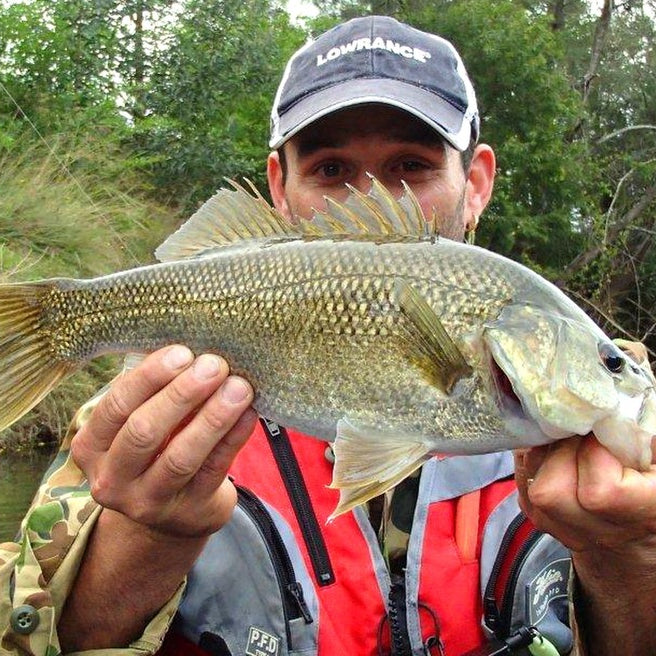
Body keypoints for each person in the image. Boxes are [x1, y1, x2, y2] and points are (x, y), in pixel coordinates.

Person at [1, 15, 655, 656]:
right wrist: (145, 541)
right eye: (332, 170)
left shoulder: (627, 433)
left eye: (411, 165)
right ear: (278, 186)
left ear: (476, 182)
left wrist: (633, 560)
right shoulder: (145, 416)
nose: (370, 196)